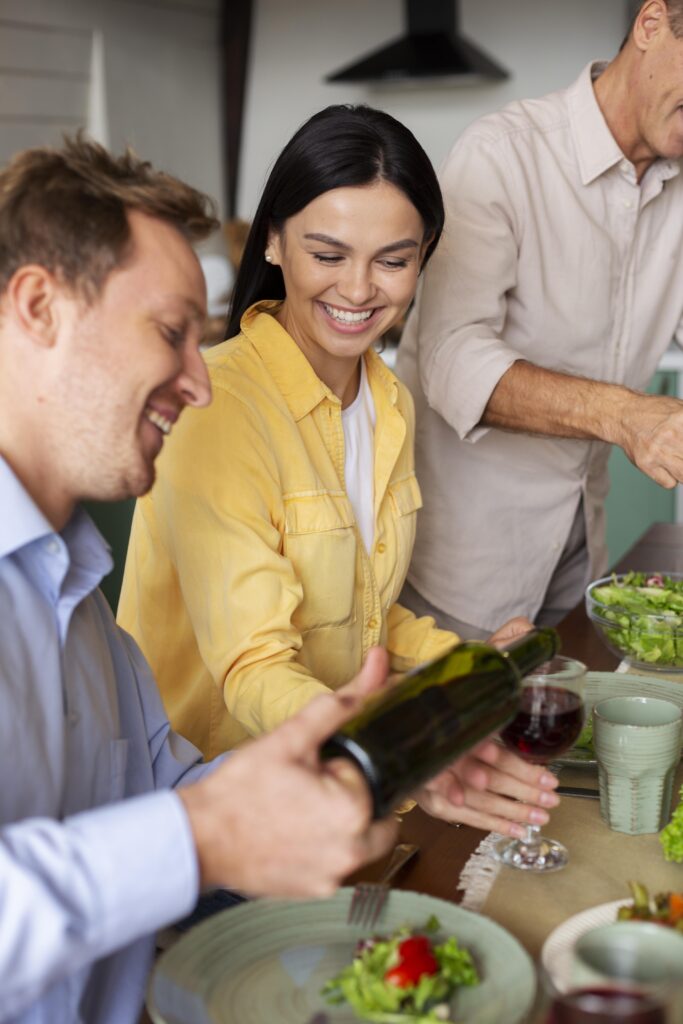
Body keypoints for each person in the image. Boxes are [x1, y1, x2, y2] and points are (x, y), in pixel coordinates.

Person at [0, 135, 558, 1024]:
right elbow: (203, 791)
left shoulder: (77, 590)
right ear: (37, 307)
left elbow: (165, 785)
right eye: (170, 332)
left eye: (392, 258)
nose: (199, 380)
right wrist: (206, 836)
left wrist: (392, 753)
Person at [118, 105, 535, 763]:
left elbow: (355, 612)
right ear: (273, 242)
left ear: (423, 256)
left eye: (392, 260)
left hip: (335, 789)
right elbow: (255, 663)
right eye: (327, 254)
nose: (359, 288)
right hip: (213, 802)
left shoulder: (388, 399)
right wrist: (381, 745)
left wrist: (469, 665)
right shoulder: (214, 405)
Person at [396, 0, 683, 640]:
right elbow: (450, 360)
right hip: (467, 568)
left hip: (582, 553)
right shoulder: (503, 155)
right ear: (651, 23)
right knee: (468, 740)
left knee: (563, 735)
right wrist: (626, 416)